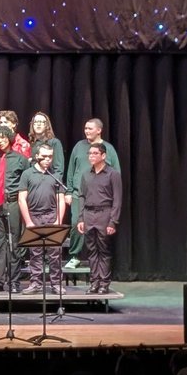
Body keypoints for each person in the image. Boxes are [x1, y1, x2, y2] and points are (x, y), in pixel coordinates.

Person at [65, 117, 121, 269]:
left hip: (100, 197)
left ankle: (97, 264)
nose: (86, 131)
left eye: (90, 128)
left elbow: (116, 172)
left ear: (99, 130)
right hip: (79, 193)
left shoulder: (108, 149)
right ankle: (75, 255)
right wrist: (68, 191)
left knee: (98, 232)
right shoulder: (79, 146)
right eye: (85, 128)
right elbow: (71, 169)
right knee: (77, 223)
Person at [19, 143, 67, 294]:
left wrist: (58, 220)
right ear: (37, 156)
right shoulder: (27, 174)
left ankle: (56, 284)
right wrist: (28, 221)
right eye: (44, 156)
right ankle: (36, 283)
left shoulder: (55, 175)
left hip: (52, 215)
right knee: (35, 253)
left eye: (50, 157)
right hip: (34, 216)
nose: (47, 159)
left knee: (55, 253)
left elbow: (61, 200)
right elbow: (21, 199)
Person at [0, 126, 26, 293]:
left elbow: (25, 184)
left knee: (14, 243)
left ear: (9, 138)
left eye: (3, 138)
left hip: (13, 202)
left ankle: (14, 281)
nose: (0, 141)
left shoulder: (20, 159)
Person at [77, 142, 123, 294]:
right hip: (89, 214)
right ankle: (94, 282)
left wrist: (113, 221)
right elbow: (82, 196)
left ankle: (104, 282)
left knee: (103, 249)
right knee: (91, 249)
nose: (91, 156)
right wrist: (81, 218)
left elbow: (117, 199)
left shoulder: (112, 174)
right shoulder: (85, 174)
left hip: (104, 213)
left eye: (95, 153)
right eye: (90, 153)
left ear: (103, 155)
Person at [28, 111, 65, 177]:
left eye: (41, 122)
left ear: (46, 125)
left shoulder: (54, 143)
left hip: (49, 181)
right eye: (36, 122)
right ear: (32, 125)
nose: (38, 124)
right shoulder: (31, 144)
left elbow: (58, 169)